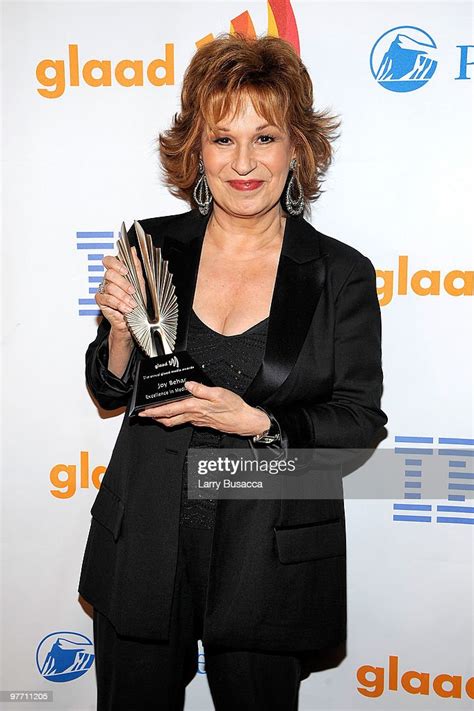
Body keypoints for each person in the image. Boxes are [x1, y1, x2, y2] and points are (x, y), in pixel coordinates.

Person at [78, 32, 388, 711]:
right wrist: (119, 331)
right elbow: (108, 387)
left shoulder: (340, 273)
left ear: (297, 149)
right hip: (147, 537)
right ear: (197, 151)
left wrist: (262, 422)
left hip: (267, 550)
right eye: (223, 139)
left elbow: (361, 422)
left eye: (265, 137)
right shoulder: (151, 244)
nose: (243, 162)